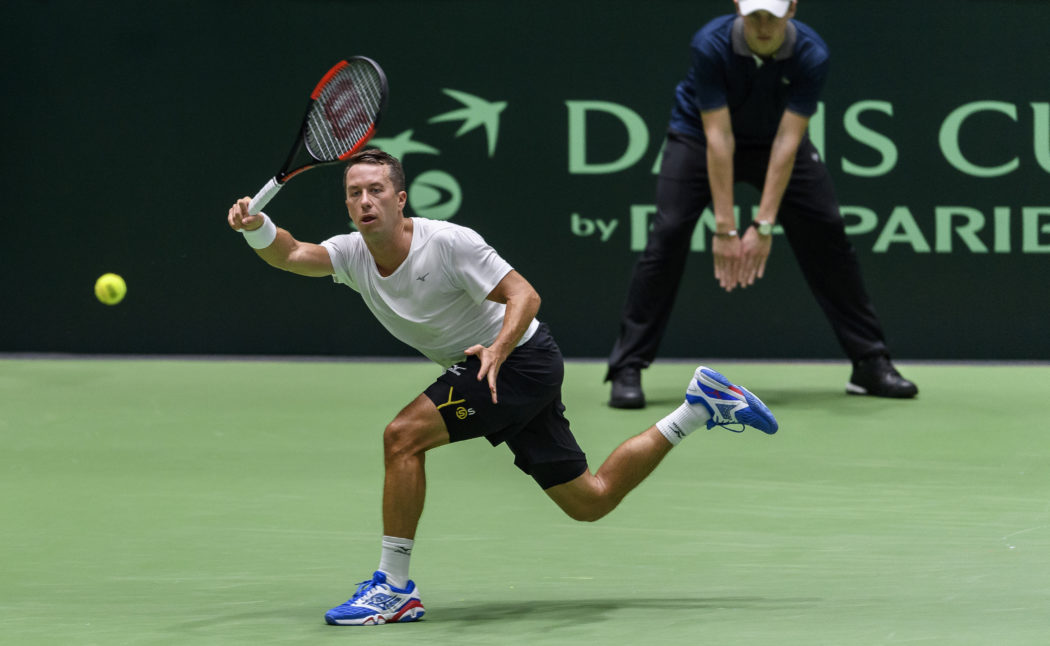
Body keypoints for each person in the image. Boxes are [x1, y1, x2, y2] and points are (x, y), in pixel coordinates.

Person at [227, 149, 779, 626]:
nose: (365, 200)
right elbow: (295, 254)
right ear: (348, 205)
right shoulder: (352, 254)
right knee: (591, 501)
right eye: (354, 193)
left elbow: (525, 296)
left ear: (401, 200)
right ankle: (700, 407)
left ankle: (393, 589)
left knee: (402, 437)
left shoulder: (447, 243)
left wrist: (498, 348)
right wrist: (256, 227)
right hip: (501, 370)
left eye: (376, 190)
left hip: (517, 361)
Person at [606, 0, 918, 409]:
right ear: (738, 8)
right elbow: (719, 138)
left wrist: (764, 225)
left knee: (826, 228)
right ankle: (627, 367)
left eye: (773, 14)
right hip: (698, 139)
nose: (764, 25)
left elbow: (788, 142)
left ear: (791, 9)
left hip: (774, 141)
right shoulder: (710, 45)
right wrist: (726, 227)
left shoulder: (812, 53)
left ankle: (869, 362)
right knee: (668, 233)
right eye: (755, 14)